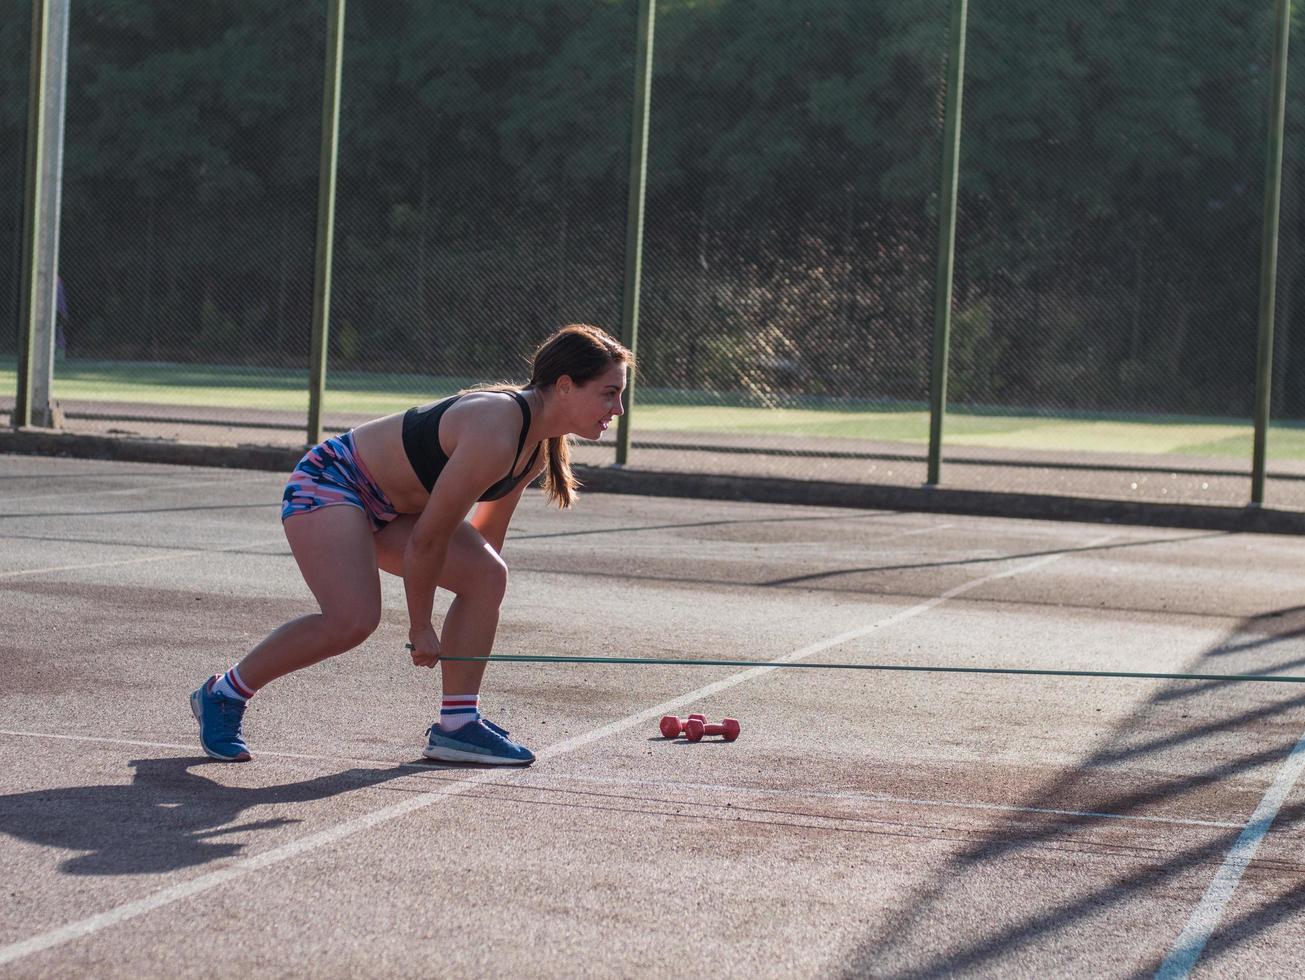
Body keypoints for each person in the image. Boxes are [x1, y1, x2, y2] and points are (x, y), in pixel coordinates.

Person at [190, 323, 633, 765]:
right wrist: (421, 625)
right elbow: (429, 539)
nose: (618, 408)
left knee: (488, 574)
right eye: (609, 393)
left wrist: (479, 602)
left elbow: (486, 542)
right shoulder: (496, 427)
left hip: (391, 510)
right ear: (565, 386)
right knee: (353, 620)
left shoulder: (533, 449)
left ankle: (458, 726)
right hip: (331, 483)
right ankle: (223, 693)